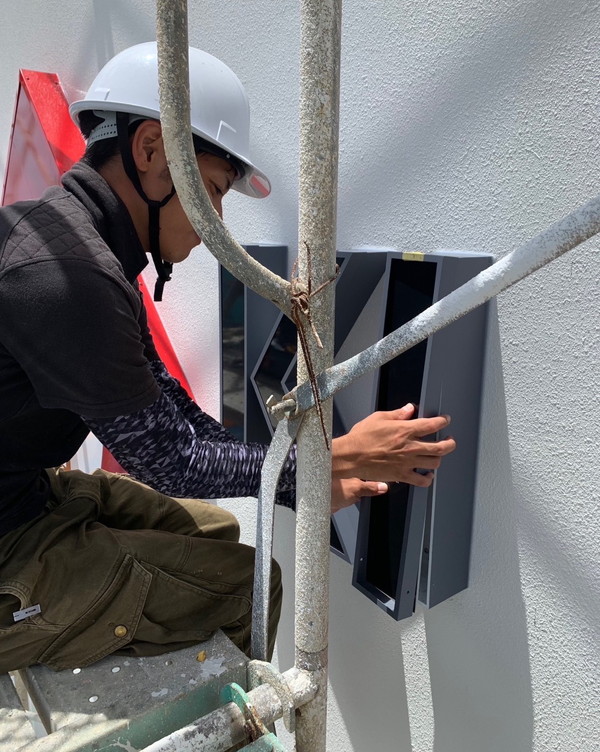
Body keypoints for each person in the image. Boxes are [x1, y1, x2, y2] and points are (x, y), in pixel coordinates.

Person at [0, 42, 455, 672]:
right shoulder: (66, 277)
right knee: (246, 585)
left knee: (213, 531)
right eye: (212, 192)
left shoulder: (83, 244)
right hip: (7, 542)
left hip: (21, 498)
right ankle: (220, 722)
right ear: (150, 151)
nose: (216, 222)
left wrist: (302, 475)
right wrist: (329, 460)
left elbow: (174, 414)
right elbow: (170, 459)